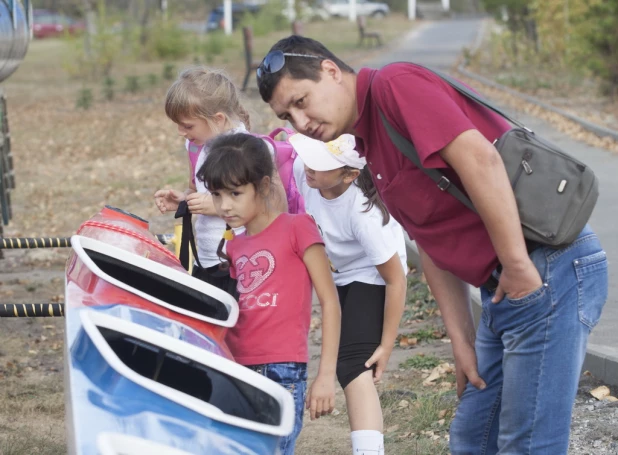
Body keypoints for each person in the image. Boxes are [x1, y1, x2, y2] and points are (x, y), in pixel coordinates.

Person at [255, 36, 608, 455]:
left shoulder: (394, 87)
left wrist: (516, 264)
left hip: (546, 267)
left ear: (331, 71)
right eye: (286, 115)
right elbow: (429, 237)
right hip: (503, 286)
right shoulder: (368, 143)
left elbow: (481, 159)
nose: (300, 121)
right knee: (473, 438)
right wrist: (461, 339)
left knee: (528, 444)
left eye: (302, 100)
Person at [196, 132, 341, 455]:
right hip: (235, 369)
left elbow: (330, 303)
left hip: (282, 371)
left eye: (235, 193)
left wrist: (325, 375)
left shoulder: (297, 227)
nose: (224, 205)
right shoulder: (233, 245)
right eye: (217, 195)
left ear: (262, 186)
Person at [290, 132, 407, 455]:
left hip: (373, 273)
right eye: (310, 158)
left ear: (350, 175)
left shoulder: (364, 214)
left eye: (321, 164)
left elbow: (397, 280)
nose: (309, 167)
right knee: (344, 356)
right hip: (339, 271)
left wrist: (386, 344)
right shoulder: (307, 174)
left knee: (354, 364)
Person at [153, 66, 287, 296]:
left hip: (247, 263)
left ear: (217, 119)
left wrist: (215, 206)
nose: (180, 132)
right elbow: (199, 190)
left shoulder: (254, 150)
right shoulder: (196, 147)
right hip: (207, 262)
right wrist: (185, 201)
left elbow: (275, 208)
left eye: (187, 125)